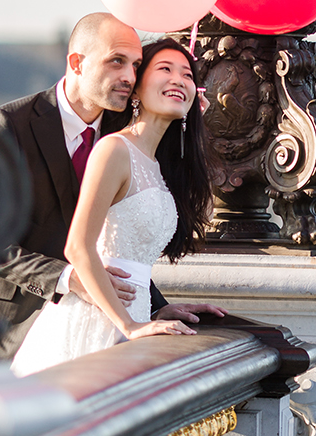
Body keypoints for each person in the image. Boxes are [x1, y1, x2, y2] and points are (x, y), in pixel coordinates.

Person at [0, 15, 209, 355]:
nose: (128, 76)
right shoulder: (7, 126)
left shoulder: (124, 135)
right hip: (3, 324)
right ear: (77, 63)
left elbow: (117, 239)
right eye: (116, 62)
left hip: (95, 324)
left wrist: (154, 306)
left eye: (136, 65)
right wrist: (67, 278)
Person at [11, 38, 217, 375]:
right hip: (95, 318)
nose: (179, 80)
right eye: (165, 69)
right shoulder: (114, 150)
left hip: (135, 313)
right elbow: (78, 247)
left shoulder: (158, 164)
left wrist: (155, 310)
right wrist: (129, 325)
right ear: (136, 90)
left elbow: (132, 256)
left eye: (188, 75)